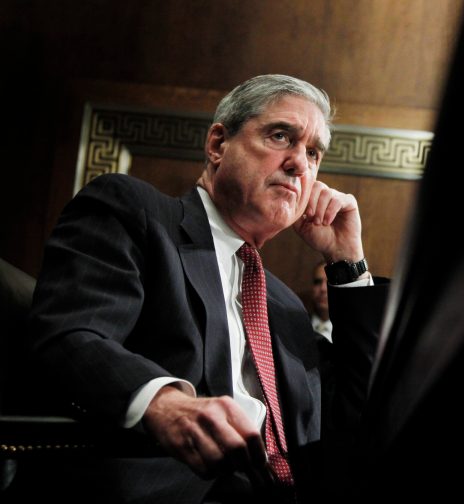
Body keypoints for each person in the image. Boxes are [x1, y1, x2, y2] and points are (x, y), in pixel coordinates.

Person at [21, 74, 389, 503]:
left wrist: (348, 266)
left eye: (312, 153)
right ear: (217, 144)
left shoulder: (284, 304)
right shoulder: (137, 215)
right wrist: (163, 403)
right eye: (280, 136)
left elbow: (362, 417)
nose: (300, 164)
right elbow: (68, 335)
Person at [309, 261, 332, 343]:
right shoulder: (295, 325)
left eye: (330, 282)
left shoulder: (350, 333)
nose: (323, 289)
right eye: (318, 282)